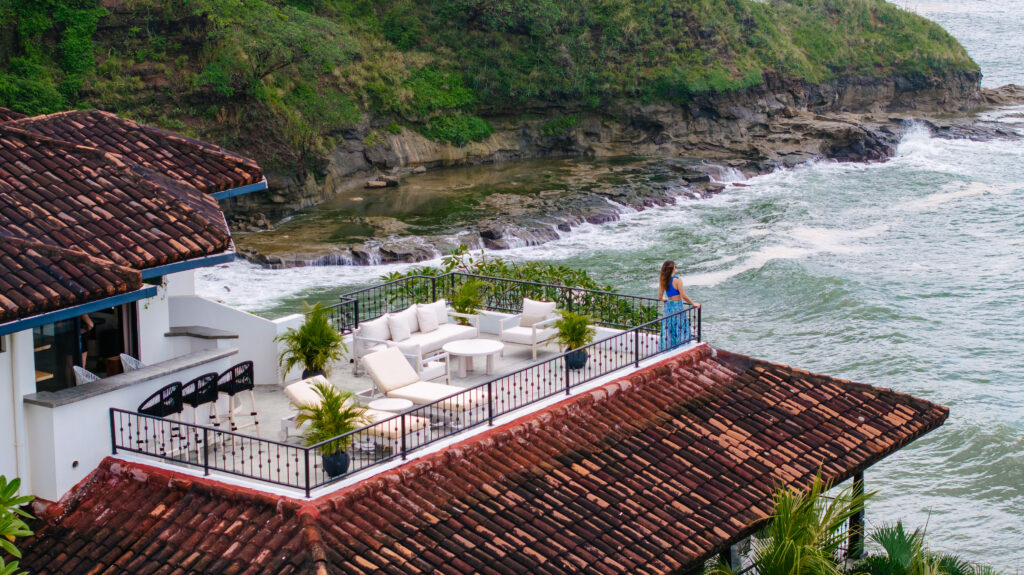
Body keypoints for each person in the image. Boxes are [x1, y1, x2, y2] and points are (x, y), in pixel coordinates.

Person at [658, 260, 699, 350]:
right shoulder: (677, 280)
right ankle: (681, 347)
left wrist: (665, 299)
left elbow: (660, 297)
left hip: (669, 306)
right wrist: (693, 304)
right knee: (680, 326)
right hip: (677, 306)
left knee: (670, 327)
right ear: (673, 268)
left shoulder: (663, 279)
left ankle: (669, 348)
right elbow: (683, 296)